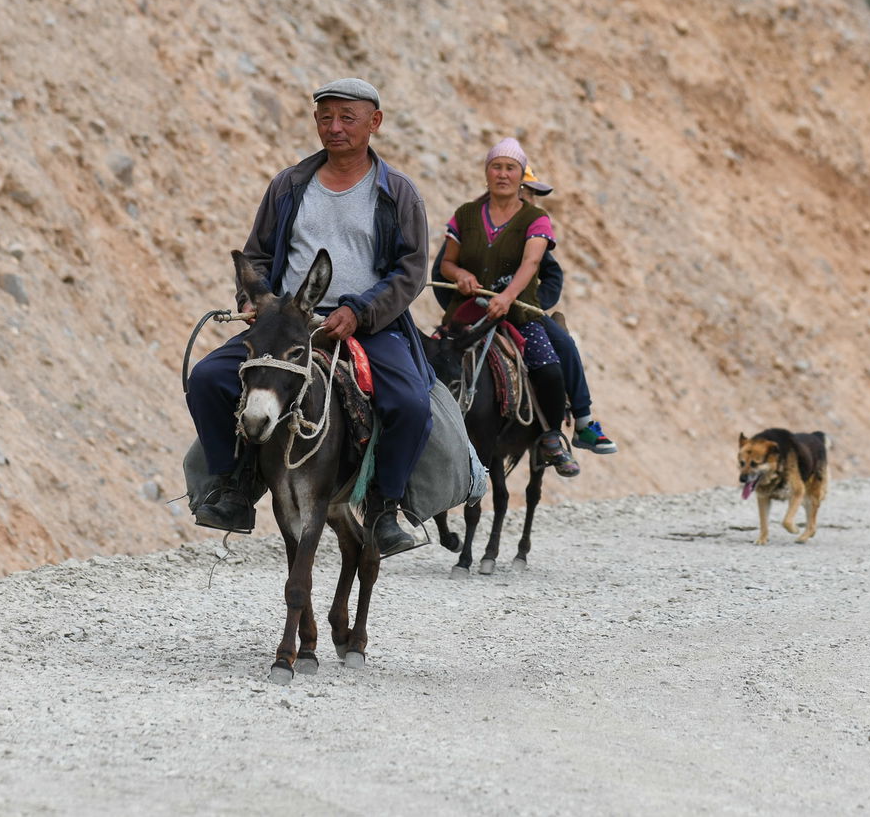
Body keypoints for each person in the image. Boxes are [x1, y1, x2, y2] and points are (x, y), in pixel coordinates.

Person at [185, 77, 430, 557]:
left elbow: (412, 270)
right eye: (325, 117)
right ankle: (232, 487)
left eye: (347, 117)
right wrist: (254, 298)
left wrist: (360, 310)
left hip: (368, 323)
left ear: (374, 123)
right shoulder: (290, 184)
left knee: (411, 405)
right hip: (288, 320)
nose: (334, 127)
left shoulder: (398, 192)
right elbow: (256, 255)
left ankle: (384, 510)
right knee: (209, 378)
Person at [431, 165, 617, 455]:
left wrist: (530, 305)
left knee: (564, 346)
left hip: (521, 312)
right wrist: (457, 305)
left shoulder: (533, 228)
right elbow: (443, 271)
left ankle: (581, 421)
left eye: (531, 194)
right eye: (529, 192)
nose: (530, 199)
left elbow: (551, 276)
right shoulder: (471, 222)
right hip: (472, 312)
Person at [439, 138, 580, 477]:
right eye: (496, 166)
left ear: (520, 177)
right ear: (486, 173)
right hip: (470, 309)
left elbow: (533, 264)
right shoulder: (465, 215)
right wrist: (460, 275)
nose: (502, 174)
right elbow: (445, 264)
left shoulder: (537, 218)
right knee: (433, 357)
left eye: (510, 168)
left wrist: (509, 297)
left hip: (518, 310)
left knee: (548, 367)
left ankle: (551, 436)